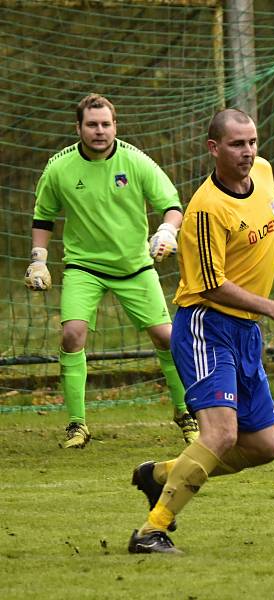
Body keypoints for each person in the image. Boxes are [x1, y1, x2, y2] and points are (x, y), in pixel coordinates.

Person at [127, 108, 274, 554]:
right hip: (208, 327)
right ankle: (152, 531)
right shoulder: (205, 209)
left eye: (252, 143)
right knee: (221, 434)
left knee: (264, 447)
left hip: (245, 332)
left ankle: (164, 475)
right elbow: (212, 285)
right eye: (236, 144)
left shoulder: (262, 171)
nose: (247, 153)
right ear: (214, 149)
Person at [26, 93, 199, 449]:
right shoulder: (59, 168)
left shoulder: (136, 162)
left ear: (115, 126)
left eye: (106, 124)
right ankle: (77, 425)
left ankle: (186, 413)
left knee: (168, 338)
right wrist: (39, 258)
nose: (99, 131)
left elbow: (171, 206)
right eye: (92, 124)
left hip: (135, 267)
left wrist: (166, 231)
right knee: (72, 334)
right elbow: (43, 216)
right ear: (78, 128)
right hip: (83, 266)